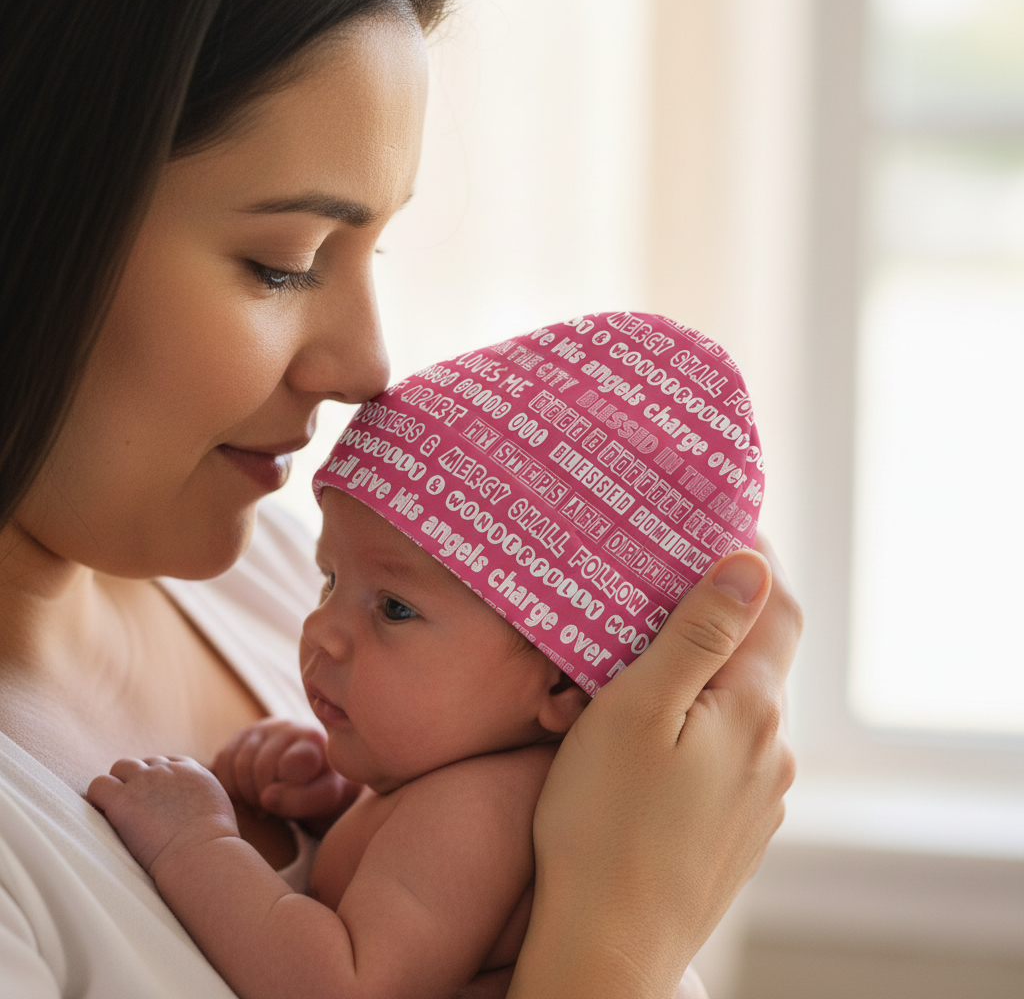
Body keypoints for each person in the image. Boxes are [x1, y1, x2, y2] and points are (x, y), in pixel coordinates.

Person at [0, 0, 801, 997]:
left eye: (375, 251)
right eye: (284, 262)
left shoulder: (294, 571)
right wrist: (615, 947)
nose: (372, 366)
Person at [87, 314, 766, 999]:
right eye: (330, 581)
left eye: (394, 608)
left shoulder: (472, 814)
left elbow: (345, 986)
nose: (322, 630)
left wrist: (197, 846)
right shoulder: (473, 779)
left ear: (562, 682)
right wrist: (340, 805)